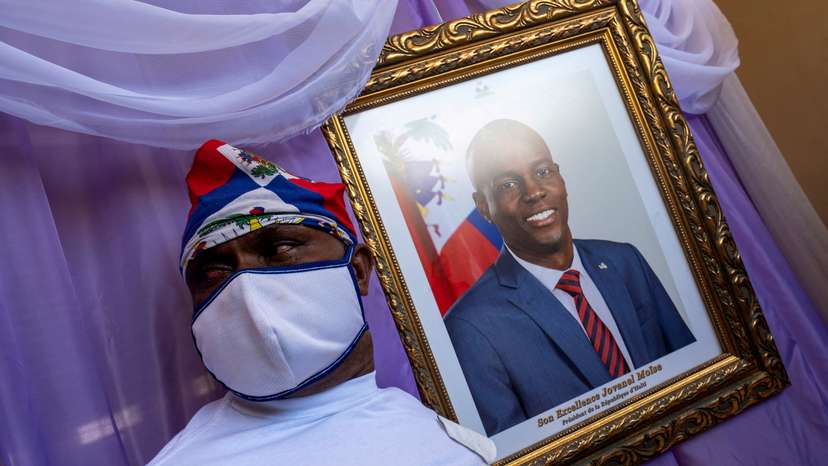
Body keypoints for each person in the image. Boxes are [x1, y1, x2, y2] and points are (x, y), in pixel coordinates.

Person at [149, 140, 493, 465]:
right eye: (213, 273)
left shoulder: (451, 445)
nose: (246, 287)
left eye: (281, 248)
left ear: (358, 270)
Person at [444, 119, 695, 436]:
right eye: (508, 185)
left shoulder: (624, 261)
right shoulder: (470, 327)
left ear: (560, 179)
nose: (534, 192)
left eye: (542, 172)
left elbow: (692, 369)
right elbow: (517, 451)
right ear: (483, 207)